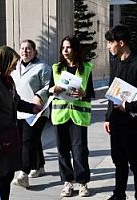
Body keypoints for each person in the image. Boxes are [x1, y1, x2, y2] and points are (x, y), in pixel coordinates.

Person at [0, 46, 41, 200]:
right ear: (3, 62)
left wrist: (33, 108)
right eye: (12, 65)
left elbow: (15, 102)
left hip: (8, 139)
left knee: (6, 178)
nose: (13, 68)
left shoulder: (6, 80)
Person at [104, 25, 137, 200]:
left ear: (121, 42)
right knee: (118, 161)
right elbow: (112, 92)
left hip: (132, 123)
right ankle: (119, 194)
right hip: (116, 121)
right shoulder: (115, 62)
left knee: (135, 162)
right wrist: (107, 117)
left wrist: (129, 107)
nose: (109, 46)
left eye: (111, 42)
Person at [49, 35, 94, 197]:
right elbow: (49, 89)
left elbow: (91, 93)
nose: (65, 51)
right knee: (62, 150)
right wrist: (53, 89)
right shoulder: (56, 68)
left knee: (80, 151)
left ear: (75, 49)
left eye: (68, 47)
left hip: (78, 116)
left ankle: (82, 182)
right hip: (60, 114)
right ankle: (67, 182)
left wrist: (83, 93)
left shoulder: (86, 67)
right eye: (63, 48)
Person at [11, 40, 51, 188]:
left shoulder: (43, 67)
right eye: (22, 48)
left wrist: (40, 96)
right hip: (19, 111)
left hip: (36, 111)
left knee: (27, 142)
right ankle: (39, 165)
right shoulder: (15, 67)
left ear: (34, 51)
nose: (25, 51)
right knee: (32, 139)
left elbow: (49, 86)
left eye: (28, 49)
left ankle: (23, 174)